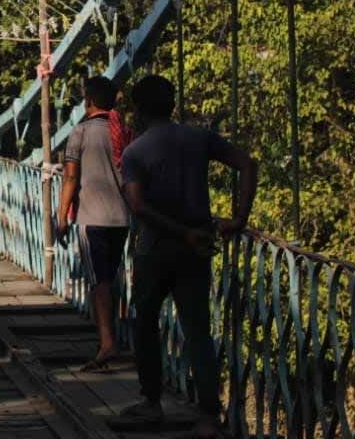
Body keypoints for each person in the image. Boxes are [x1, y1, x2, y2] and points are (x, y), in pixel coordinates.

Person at [118, 74, 257, 438]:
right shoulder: (199, 138)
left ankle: (150, 403)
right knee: (197, 328)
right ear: (172, 104)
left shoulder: (135, 152)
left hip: (155, 249)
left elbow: (137, 205)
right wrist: (238, 218)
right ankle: (209, 416)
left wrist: (178, 231)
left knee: (144, 322)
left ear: (139, 110)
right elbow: (247, 164)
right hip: (198, 247)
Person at [55, 76, 130, 372]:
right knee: (111, 279)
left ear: (88, 101)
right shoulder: (123, 131)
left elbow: (70, 177)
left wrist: (61, 217)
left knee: (99, 283)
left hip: (92, 219)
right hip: (122, 219)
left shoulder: (81, 132)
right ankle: (111, 338)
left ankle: (107, 343)